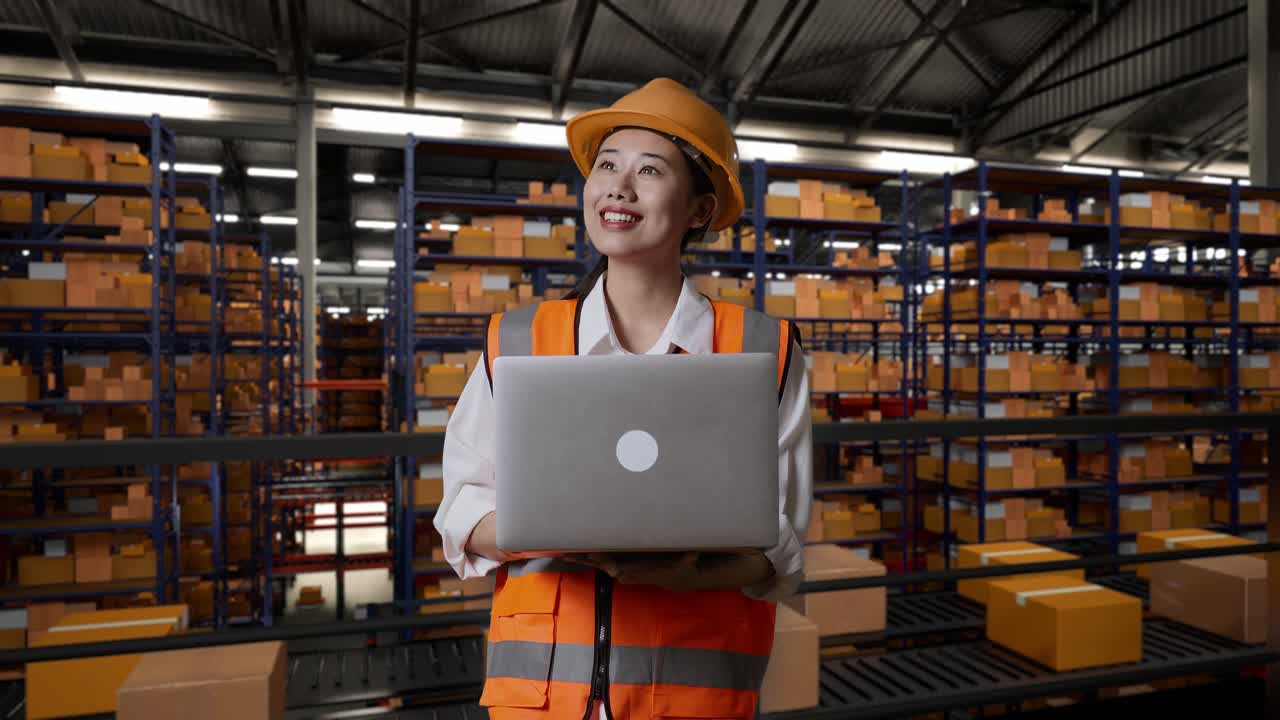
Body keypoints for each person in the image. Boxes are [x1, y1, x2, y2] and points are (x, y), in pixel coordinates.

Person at [435, 78, 813, 720]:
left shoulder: (762, 349)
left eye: (649, 170)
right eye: (606, 165)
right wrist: (554, 532)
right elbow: (462, 512)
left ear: (698, 210)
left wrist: (686, 572)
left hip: (692, 704)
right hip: (541, 703)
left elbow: (780, 542)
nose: (618, 186)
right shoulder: (520, 339)